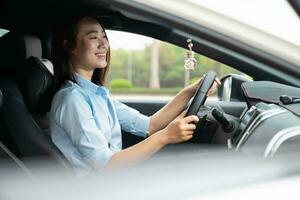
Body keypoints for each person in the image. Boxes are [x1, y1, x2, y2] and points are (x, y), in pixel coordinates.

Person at [50, 14, 219, 177]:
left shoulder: (96, 94)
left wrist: (190, 92)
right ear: (69, 45)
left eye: (104, 36)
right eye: (93, 37)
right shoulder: (72, 99)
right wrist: (166, 136)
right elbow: (107, 165)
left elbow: (150, 125)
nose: (104, 44)